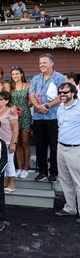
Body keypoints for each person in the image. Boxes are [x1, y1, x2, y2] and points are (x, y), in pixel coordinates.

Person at [29, 54, 66, 182]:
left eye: (44, 62)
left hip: (53, 117)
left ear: (52, 63)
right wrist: (37, 106)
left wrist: (47, 105)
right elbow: (32, 94)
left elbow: (62, 96)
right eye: (40, 63)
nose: (42, 65)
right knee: (40, 146)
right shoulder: (35, 78)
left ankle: (54, 173)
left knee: (54, 145)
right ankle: (42, 171)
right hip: (38, 118)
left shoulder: (60, 78)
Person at [55, 82, 80, 224]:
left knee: (78, 182)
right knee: (65, 179)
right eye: (60, 93)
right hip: (61, 147)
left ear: (72, 93)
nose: (62, 95)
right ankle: (70, 208)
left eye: (65, 92)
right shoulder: (60, 109)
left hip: (75, 148)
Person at [0, 91, 19, 193]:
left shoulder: (11, 112)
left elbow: (15, 129)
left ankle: (11, 183)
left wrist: (13, 143)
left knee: (9, 162)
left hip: (7, 141)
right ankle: (2, 181)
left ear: (7, 101)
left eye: (1, 99)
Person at [8, 66, 31, 179]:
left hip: (25, 115)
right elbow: (8, 101)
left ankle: (26, 168)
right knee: (16, 143)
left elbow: (31, 100)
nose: (15, 76)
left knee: (25, 142)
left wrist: (29, 104)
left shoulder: (28, 85)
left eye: (17, 74)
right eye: (13, 74)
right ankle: (19, 167)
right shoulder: (10, 87)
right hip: (14, 116)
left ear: (22, 74)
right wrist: (12, 106)